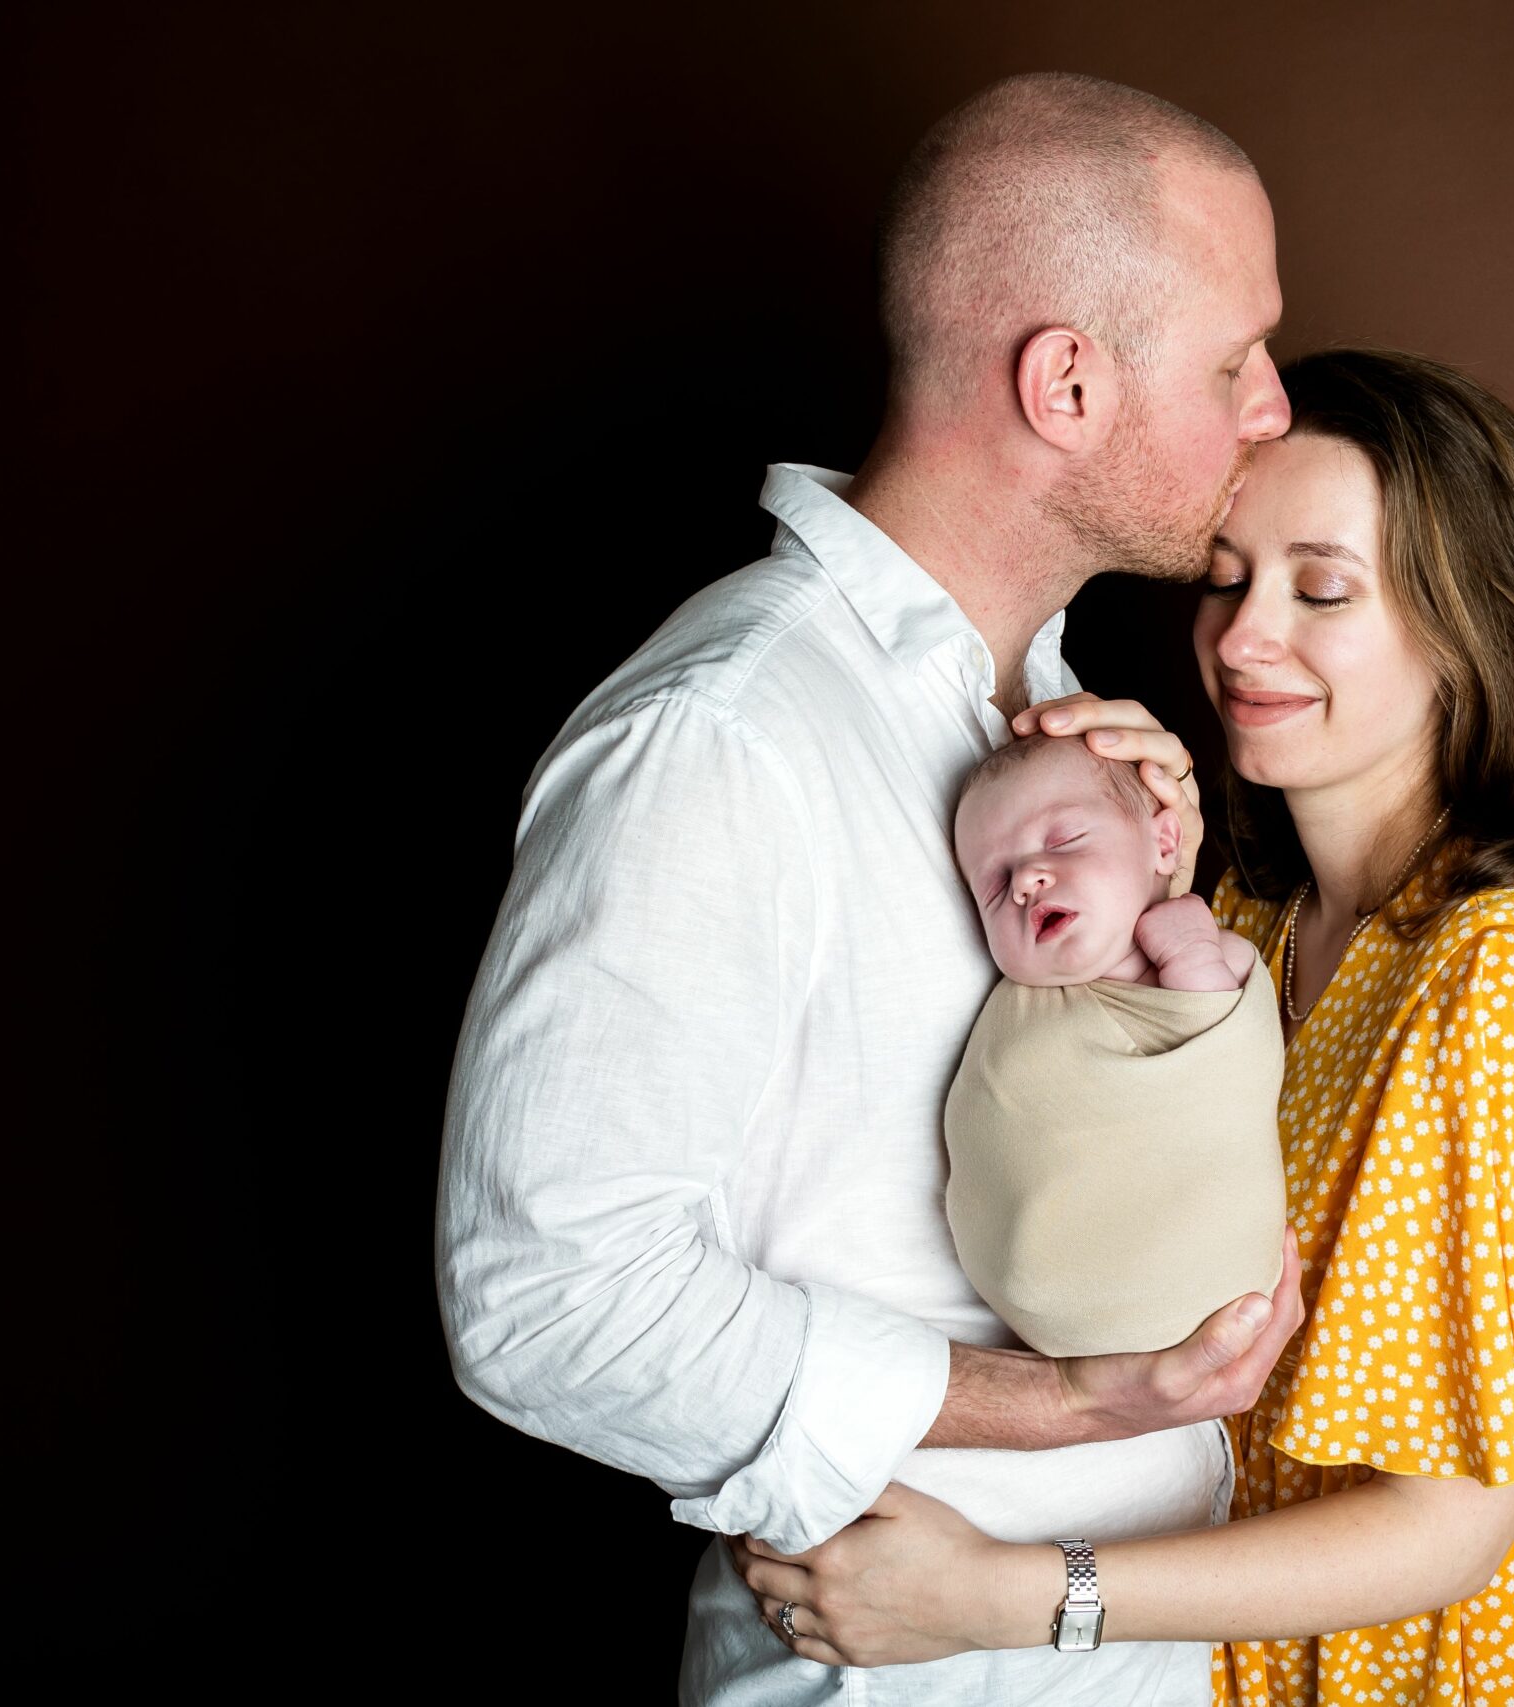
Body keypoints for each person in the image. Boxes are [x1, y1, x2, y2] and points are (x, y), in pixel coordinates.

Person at [434, 73, 1303, 1706]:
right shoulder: (724, 736)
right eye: (1232, 362)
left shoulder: (1062, 712)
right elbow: (546, 1303)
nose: (1271, 407)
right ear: (1065, 382)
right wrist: (1065, 1404)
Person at [727, 349, 1514, 1706]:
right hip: (1263, 1636)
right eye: (1226, 576)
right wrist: (1138, 861)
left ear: (1469, 626)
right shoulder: (1256, 922)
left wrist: (1005, 1593)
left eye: (1322, 589)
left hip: (1496, 1655)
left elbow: (1453, 1526)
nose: (1243, 637)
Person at [944, 733, 1286, 1358]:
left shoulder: (1213, 957)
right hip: (1044, 1295)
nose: (1026, 878)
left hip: (1195, 1275)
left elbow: (1227, 1068)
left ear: (1163, 843)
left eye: (1063, 841)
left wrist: (1190, 956)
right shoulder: (1023, 1007)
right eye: (993, 884)